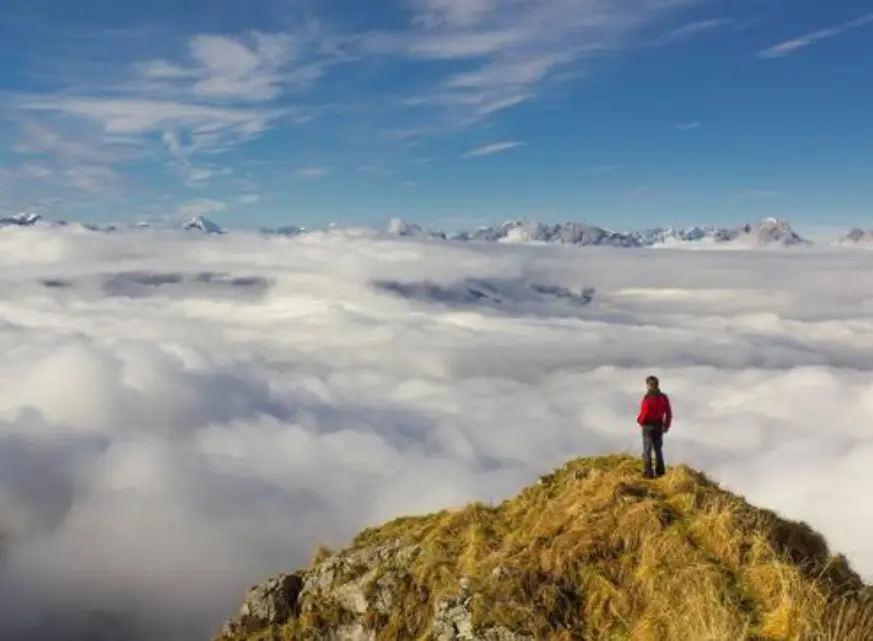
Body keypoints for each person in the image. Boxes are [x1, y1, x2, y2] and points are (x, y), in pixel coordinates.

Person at [636, 375, 672, 478]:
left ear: (649, 385)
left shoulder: (647, 398)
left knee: (647, 450)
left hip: (647, 427)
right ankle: (660, 471)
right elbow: (668, 413)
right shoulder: (663, 397)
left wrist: (640, 421)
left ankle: (648, 473)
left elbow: (645, 412)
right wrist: (666, 425)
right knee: (658, 449)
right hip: (659, 426)